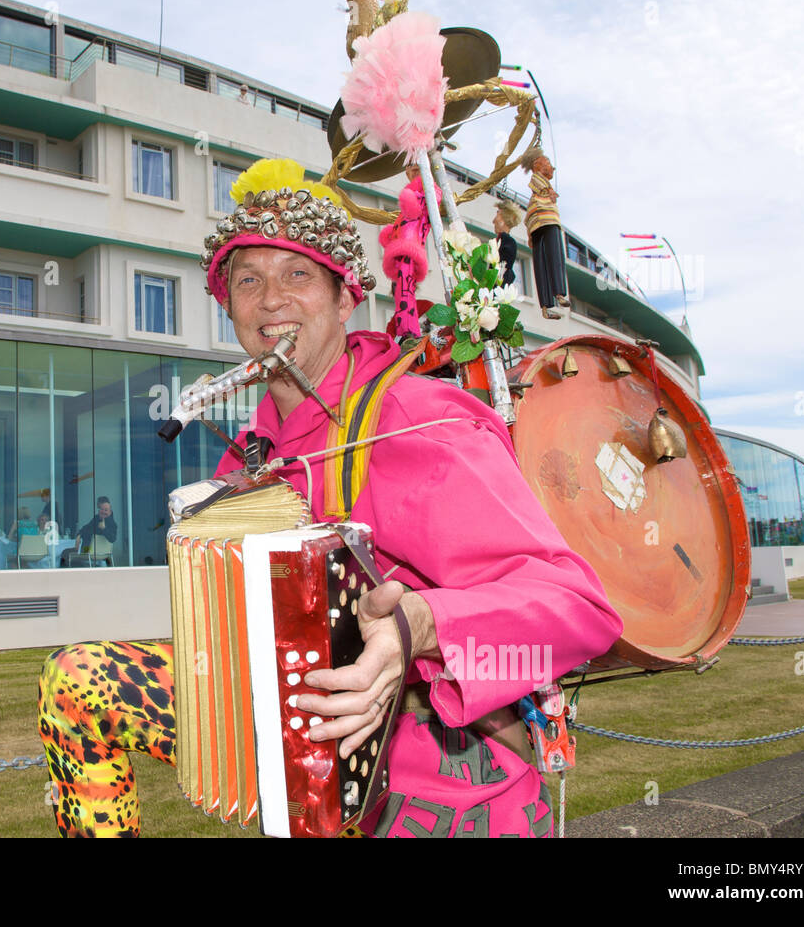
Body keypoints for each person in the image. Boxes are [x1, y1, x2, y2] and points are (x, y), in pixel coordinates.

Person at [38, 159, 622, 838]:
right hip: (305, 748)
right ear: (228, 307)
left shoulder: (420, 417)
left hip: (440, 776)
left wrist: (418, 626)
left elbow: (578, 607)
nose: (270, 299)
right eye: (247, 279)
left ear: (346, 299)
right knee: (81, 684)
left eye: (298, 275)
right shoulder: (246, 453)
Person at [521, 147, 570, 320]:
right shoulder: (539, 182)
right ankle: (557, 294)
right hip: (545, 219)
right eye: (547, 162)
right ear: (537, 164)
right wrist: (549, 191)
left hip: (538, 221)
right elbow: (537, 183)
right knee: (553, 256)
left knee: (542, 261)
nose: (550, 166)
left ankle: (548, 304)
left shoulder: (540, 183)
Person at [492, 200, 522, 294]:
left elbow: (503, 271)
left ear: (503, 219)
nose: (493, 221)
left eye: (497, 214)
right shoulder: (500, 241)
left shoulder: (507, 242)